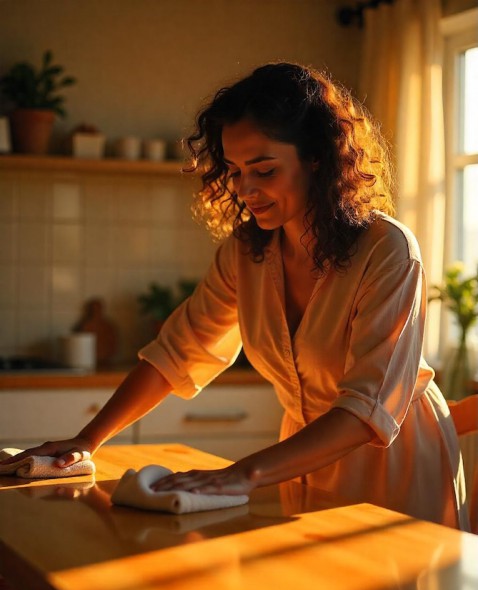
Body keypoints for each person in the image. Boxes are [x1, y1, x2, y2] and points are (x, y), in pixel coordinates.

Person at [1, 62, 468, 530]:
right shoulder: (249, 252)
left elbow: (368, 410)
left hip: (398, 466)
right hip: (301, 462)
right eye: (236, 170)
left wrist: (240, 475)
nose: (246, 189)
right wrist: (86, 439)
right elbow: (176, 352)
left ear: (317, 158)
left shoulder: (388, 249)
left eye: (264, 170)